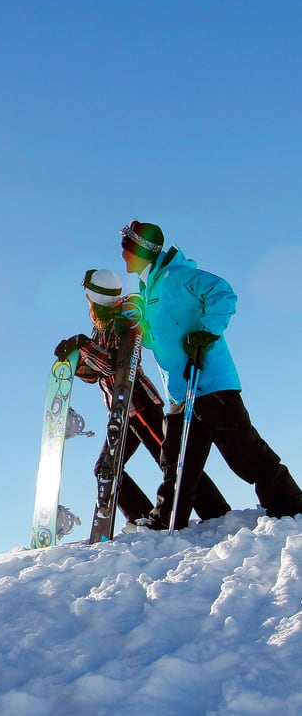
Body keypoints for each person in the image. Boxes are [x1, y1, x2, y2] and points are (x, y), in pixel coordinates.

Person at [119, 219, 302, 530]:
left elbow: (224, 293)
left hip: (210, 382)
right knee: (176, 463)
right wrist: (137, 329)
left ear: (140, 251)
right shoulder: (148, 288)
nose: (122, 256)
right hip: (180, 390)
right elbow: (158, 339)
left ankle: (290, 505)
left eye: (126, 250)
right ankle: (166, 520)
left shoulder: (180, 276)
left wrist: (206, 331)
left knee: (243, 452)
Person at [54, 269, 230, 526]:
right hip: (120, 411)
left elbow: (116, 364)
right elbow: (96, 374)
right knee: (105, 469)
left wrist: (84, 345)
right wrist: (76, 360)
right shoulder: (100, 326)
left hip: (140, 404)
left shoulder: (126, 312)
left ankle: (216, 512)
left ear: (93, 295)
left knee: (170, 461)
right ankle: (142, 519)